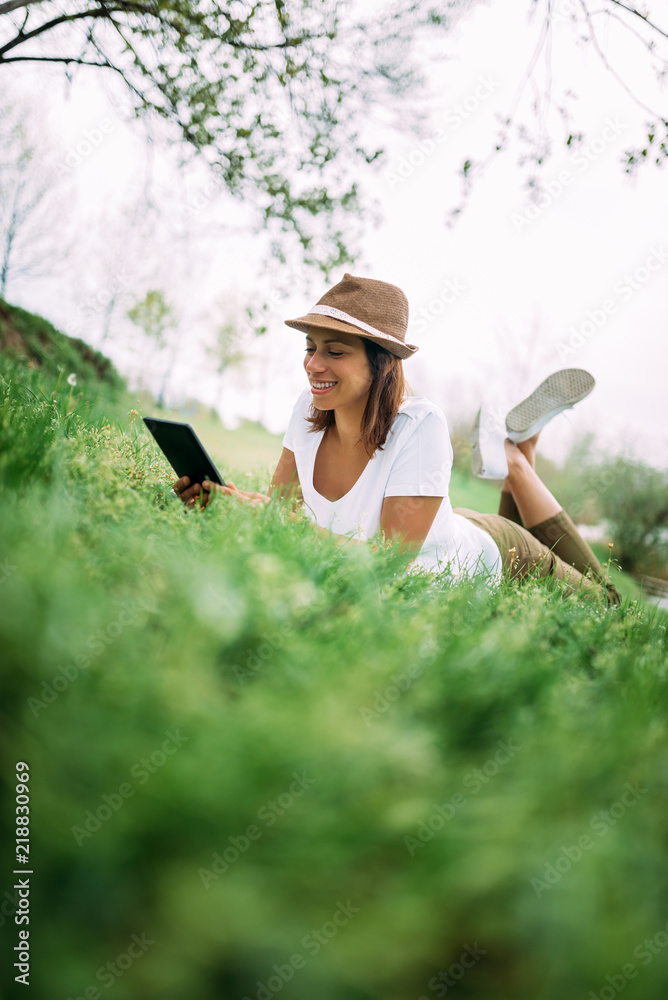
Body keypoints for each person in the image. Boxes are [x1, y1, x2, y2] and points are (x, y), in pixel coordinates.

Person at [173, 274, 621, 606]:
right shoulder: (306, 413)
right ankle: (522, 448)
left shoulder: (419, 425)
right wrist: (230, 504)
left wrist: (275, 522)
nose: (313, 364)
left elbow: (390, 563)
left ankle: (516, 461)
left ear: (382, 365)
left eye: (336, 351)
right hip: (434, 523)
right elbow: (281, 520)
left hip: (500, 554)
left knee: (608, 603)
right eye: (310, 347)